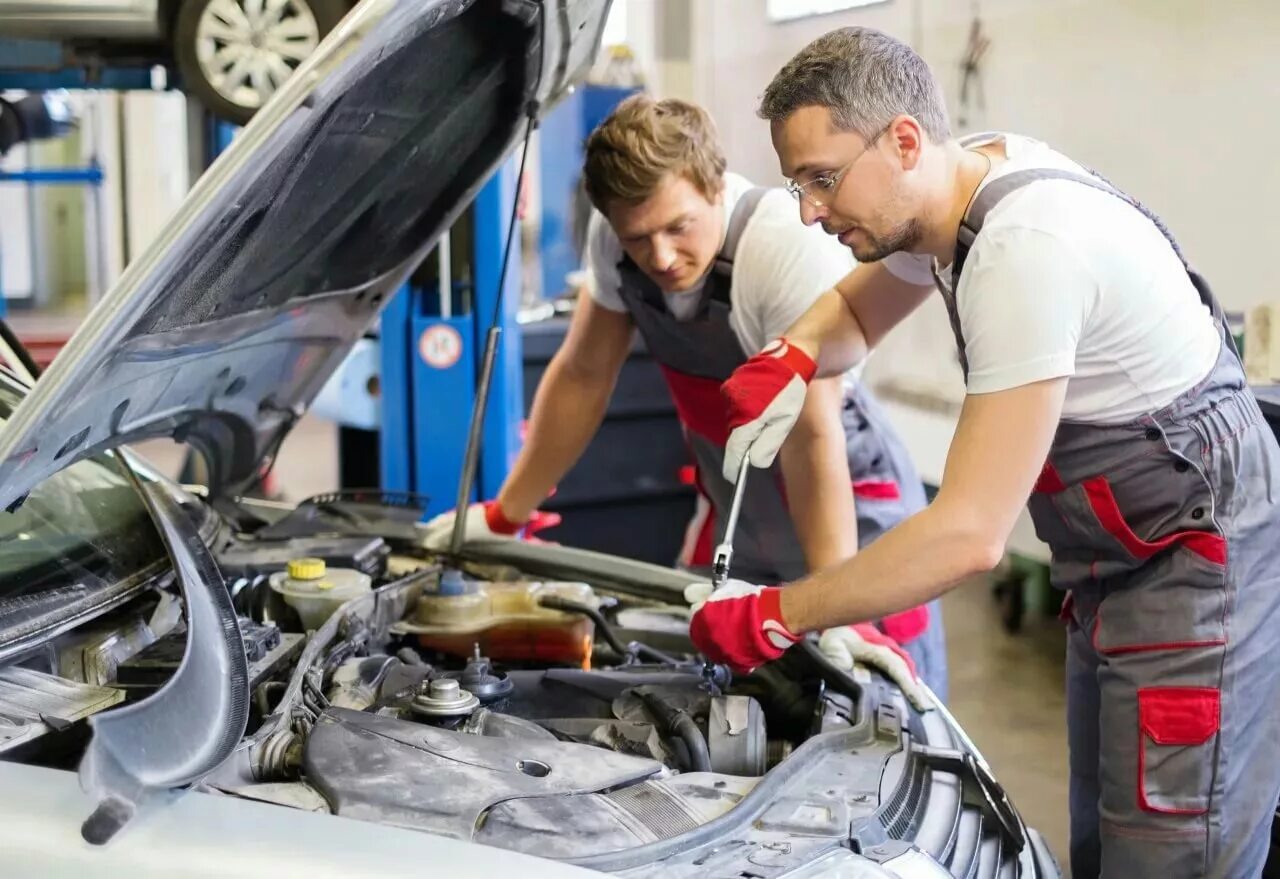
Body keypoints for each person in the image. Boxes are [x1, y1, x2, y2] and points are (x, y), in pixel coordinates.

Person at [686, 26, 1280, 879]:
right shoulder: (952, 190)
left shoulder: (1021, 249)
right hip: (1115, 565)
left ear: (901, 140)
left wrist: (779, 611)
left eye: (822, 179)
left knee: (1172, 855)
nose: (809, 211)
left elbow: (967, 533)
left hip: (1195, 568)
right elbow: (856, 316)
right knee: (1108, 842)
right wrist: (795, 354)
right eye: (795, 183)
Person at [425, 94, 947, 701]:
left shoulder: (779, 250)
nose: (661, 257)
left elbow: (811, 435)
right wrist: (506, 515)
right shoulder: (618, 239)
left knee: (878, 701)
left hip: (845, 500)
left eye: (679, 227)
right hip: (737, 499)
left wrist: (836, 601)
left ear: (715, 186)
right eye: (640, 238)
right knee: (699, 678)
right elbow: (584, 375)